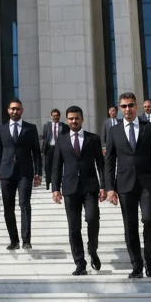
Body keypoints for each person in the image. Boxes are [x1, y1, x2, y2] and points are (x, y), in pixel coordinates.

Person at [103, 92, 151, 279]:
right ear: (119, 108)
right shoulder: (114, 131)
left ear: (136, 106)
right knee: (129, 226)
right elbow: (109, 162)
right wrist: (109, 188)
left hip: (148, 182)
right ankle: (136, 264)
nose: (127, 109)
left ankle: (149, 260)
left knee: (149, 220)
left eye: (130, 105)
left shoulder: (150, 128)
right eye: (123, 106)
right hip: (124, 184)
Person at [50, 106, 106, 275]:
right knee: (74, 227)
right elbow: (56, 166)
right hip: (70, 188)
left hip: (90, 187)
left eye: (76, 118)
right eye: (70, 118)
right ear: (67, 120)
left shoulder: (93, 139)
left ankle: (92, 249)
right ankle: (80, 262)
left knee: (92, 218)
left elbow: (101, 165)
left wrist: (104, 186)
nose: (73, 121)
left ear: (82, 119)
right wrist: (55, 188)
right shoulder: (61, 140)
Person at [0, 98, 42, 250]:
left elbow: (37, 153)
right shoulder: (1, 129)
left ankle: (26, 240)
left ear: (22, 110)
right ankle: (14, 240)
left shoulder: (30, 128)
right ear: (8, 110)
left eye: (17, 109)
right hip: (6, 173)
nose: (15, 111)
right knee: (8, 207)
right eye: (12, 109)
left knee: (24, 204)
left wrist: (38, 173)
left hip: (25, 173)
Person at [41, 108, 67, 184]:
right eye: (54, 116)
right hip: (49, 148)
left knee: (58, 165)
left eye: (57, 116)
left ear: (59, 116)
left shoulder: (64, 126)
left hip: (59, 148)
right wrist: (43, 150)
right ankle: (48, 181)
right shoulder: (46, 126)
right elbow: (44, 138)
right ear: (51, 116)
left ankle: (58, 180)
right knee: (48, 165)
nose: (55, 117)